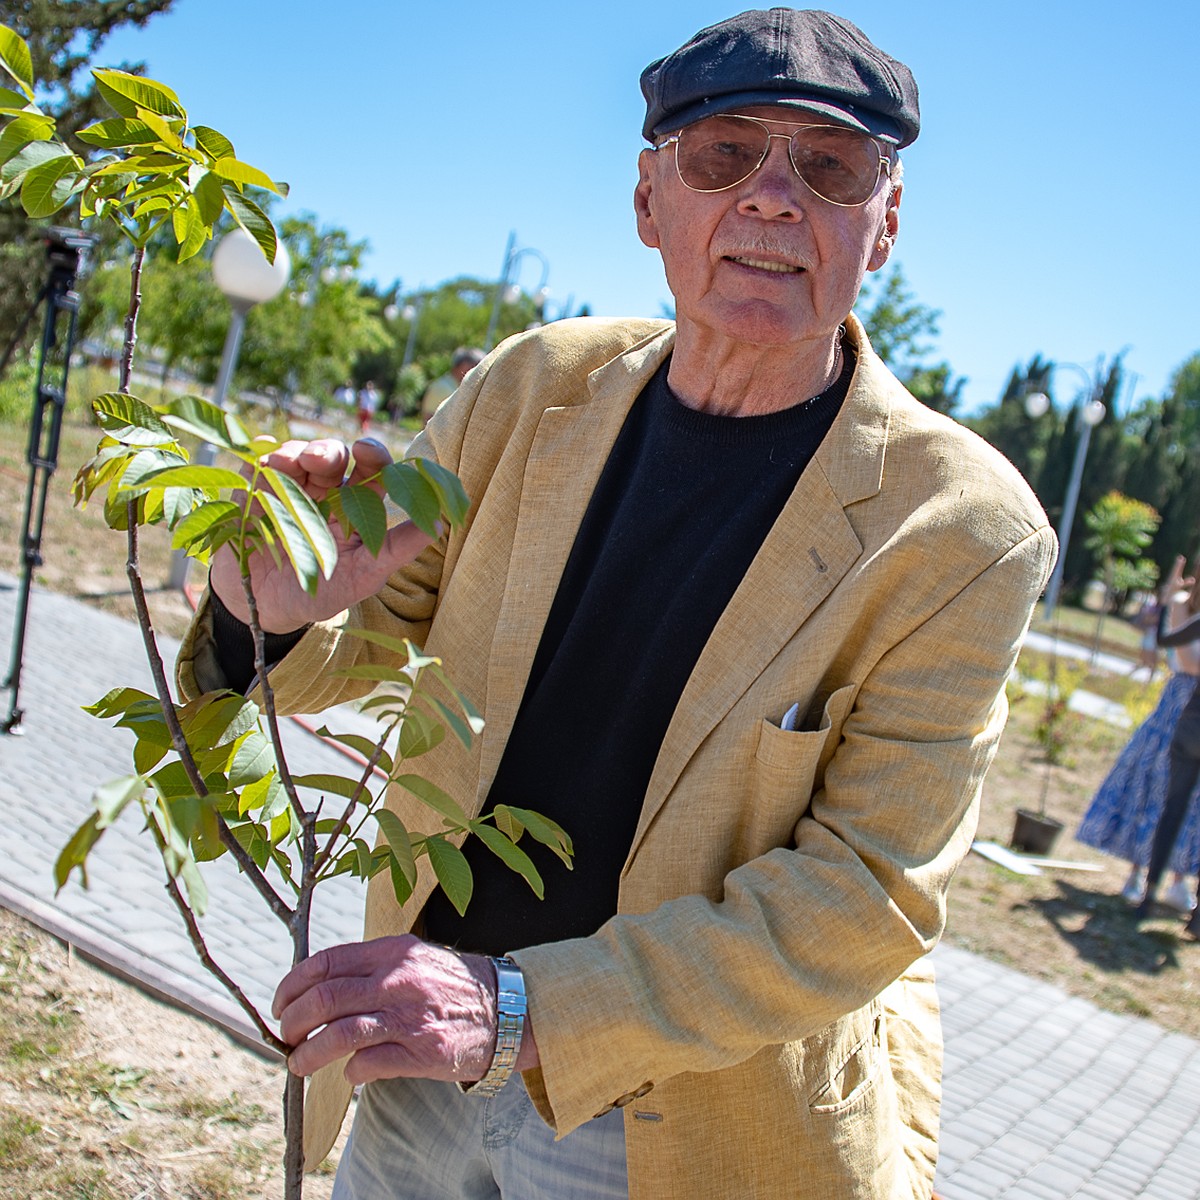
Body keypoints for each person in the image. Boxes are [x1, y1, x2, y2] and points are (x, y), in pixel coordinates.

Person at [178, 10, 1055, 1197]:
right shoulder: (534, 386)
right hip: (417, 1048)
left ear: (883, 221)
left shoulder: (963, 529)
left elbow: (865, 895)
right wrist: (262, 609)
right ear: (651, 202)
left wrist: (524, 1008)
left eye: (830, 167)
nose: (772, 197)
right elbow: (368, 640)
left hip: (682, 1121)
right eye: (723, 154)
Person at [1077, 565, 1200, 912]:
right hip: (1178, 706)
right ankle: (1137, 874)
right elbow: (1188, 662)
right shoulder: (1182, 603)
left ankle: (1178, 881)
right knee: (1153, 787)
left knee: (1193, 803)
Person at [1134, 555, 1200, 935]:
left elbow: (1164, 640)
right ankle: (1195, 916)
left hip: (1192, 726)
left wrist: (1170, 600)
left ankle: (1148, 895)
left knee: (1172, 811)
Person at [419, 347, 485, 425]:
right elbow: (428, 419)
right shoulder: (441, 387)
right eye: (473, 366)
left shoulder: (457, 386)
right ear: (461, 365)